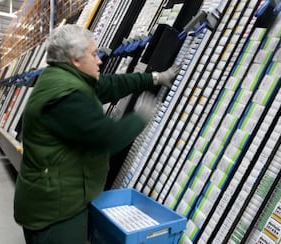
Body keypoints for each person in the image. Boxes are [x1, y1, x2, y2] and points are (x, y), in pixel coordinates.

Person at [13, 24, 179, 244]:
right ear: (75, 60)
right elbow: (106, 137)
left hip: (53, 197)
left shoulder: (63, 77)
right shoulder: (67, 98)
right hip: (56, 211)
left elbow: (108, 85)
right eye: (93, 54)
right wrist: (140, 117)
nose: (99, 60)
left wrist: (154, 78)